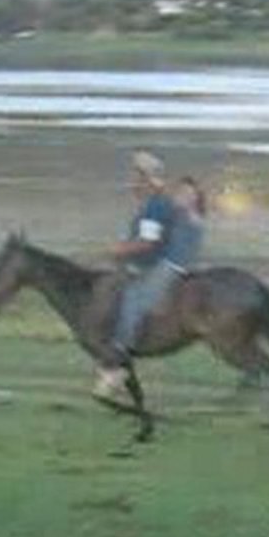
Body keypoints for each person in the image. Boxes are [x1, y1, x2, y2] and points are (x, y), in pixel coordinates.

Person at [93, 156, 207, 400]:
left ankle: (119, 355)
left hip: (171, 264)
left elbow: (148, 242)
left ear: (148, 181)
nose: (133, 184)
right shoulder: (164, 205)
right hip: (166, 262)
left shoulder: (156, 206)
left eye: (138, 179)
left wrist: (118, 250)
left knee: (134, 299)